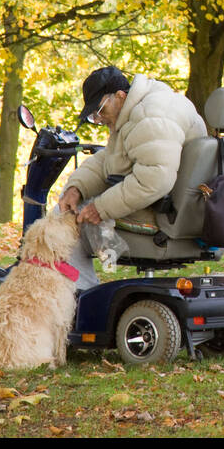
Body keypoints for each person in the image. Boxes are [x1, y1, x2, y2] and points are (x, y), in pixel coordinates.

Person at [55, 65, 206, 289]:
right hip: (177, 210)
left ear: (120, 96)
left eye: (100, 110)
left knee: (65, 225)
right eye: (93, 115)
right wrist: (76, 188)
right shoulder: (144, 110)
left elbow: (155, 179)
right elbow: (110, 160)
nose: (99, 118)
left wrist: (100, 208)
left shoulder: (148, 118)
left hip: (162, 218)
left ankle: (79, 299)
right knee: (70, 206)